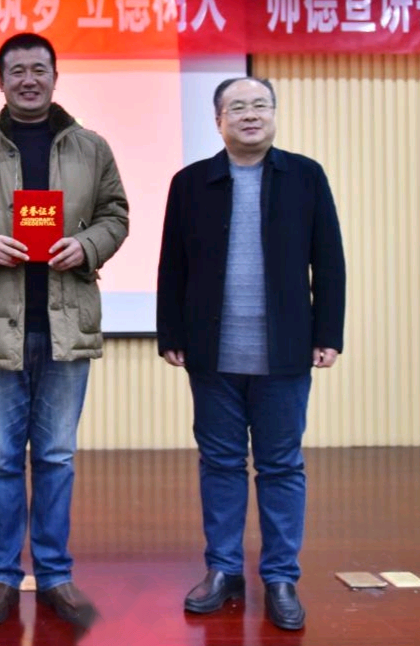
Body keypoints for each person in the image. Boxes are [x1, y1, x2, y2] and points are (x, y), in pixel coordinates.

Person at [0, 32, 129, 627]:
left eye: (38, 69)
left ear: (54, 77)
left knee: (56, 458)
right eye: (16, 70)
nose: (28, 79)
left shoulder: (92, 148)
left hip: (66, 325)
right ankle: (0, 578)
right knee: (0, 460)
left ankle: (55, 574)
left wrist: (88, 245)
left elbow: (116, 215)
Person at [156, 76, 345, 631]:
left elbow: (328, 260)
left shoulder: (305, 176)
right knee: (220, 463)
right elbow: (172, 264)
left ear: (274, 114)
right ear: (218, 121)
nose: (250, 115)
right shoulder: (191, 182)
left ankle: (281, 576)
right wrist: (171, 333)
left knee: (281, 465)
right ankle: (223, 570)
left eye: (260, 105)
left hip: (284, 351)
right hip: (212, 353)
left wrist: (328, 332)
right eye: (237, 107)